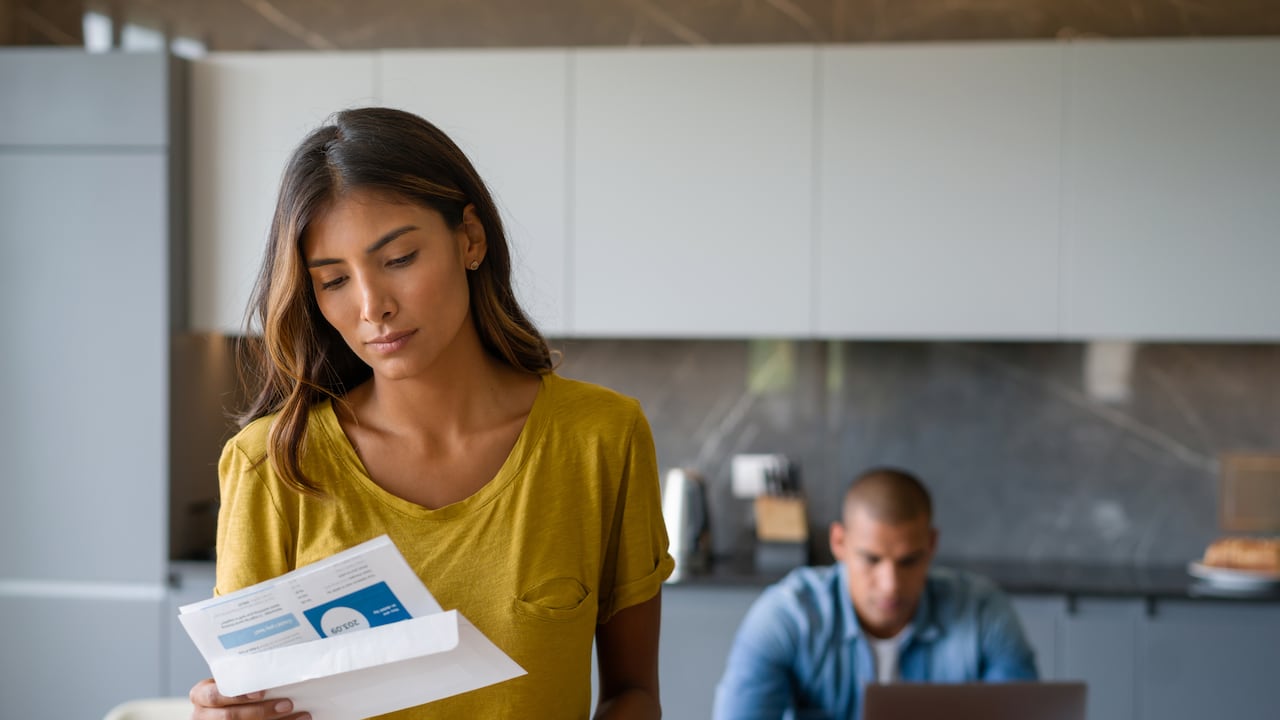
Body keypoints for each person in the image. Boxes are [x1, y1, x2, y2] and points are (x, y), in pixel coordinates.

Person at [188, 107, 673, 719]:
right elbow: (253, 702)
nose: (373, 307)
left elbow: (634, 695)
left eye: (398, 260)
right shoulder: (270, 466)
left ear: (470, 239)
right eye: (334, 280)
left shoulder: (602, 439)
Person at [713, 467, 1037, 719]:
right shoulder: (785, 618)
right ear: (839, 542)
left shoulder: (982, 613)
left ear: (932, 545)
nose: (890, 584)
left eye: (909, 561)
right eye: (871, 559)